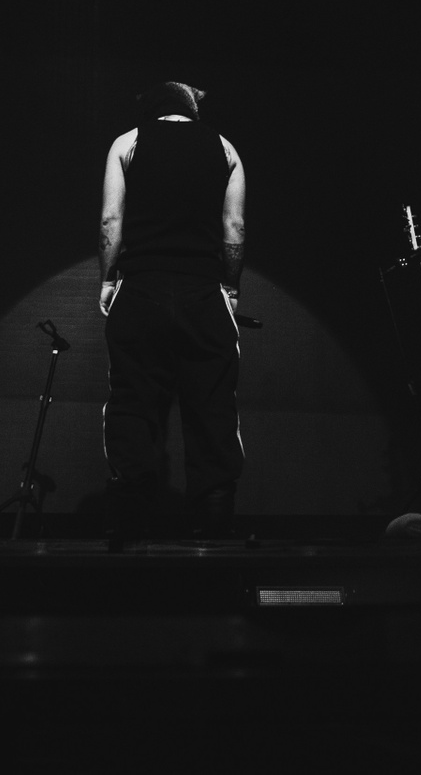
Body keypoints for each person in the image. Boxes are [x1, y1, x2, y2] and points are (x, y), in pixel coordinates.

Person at [98, 81, 247, 541]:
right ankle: (214, 521)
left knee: (132, 403)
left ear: (152, 109)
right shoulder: (225, 148)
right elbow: (234, 225)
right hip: (203, 291)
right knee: (213, 407)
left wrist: (107, 280)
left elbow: (111, 220)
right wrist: (231, 287)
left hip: (141, 288)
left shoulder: (127, 143)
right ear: (191, 109)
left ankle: (130, 521)